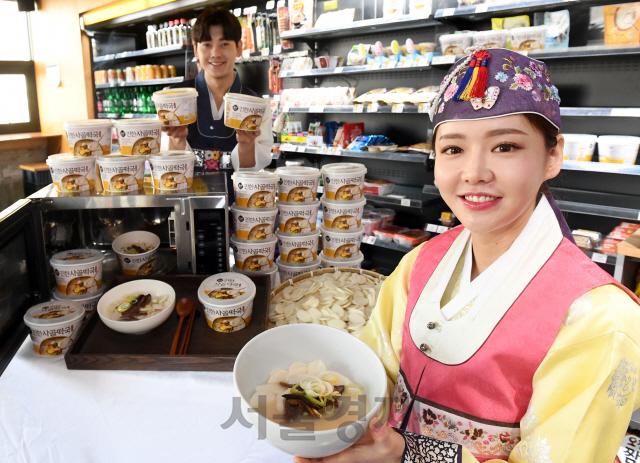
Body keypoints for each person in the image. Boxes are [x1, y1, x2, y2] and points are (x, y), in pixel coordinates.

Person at [294, 48, 640, 463]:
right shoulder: (419, 264)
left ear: (553, 156)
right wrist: (327, 429)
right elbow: (373, 377)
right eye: (454, 149)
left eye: (506, 146)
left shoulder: (599, 316)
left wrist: (407, 455)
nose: (474, 172)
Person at [163, 7, 272, 175]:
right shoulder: (173, 98)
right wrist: (177, 139)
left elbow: (252, 171)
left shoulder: (256, 104)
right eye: (207, 44)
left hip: (237, 200)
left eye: (224, 44)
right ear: (195, 48)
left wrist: (246, 144)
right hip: (188, 198)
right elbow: (168, 169)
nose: (215, 53)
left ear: (238, 48)